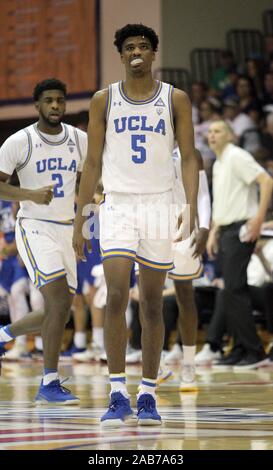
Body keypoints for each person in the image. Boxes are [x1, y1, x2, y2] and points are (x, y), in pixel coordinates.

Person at [73, 23, 199, 426]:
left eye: (144, 45)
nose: (137, 51)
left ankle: (147, 393)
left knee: (151, 304)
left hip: (161, 204)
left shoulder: (174, 98)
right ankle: (116, 393)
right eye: (130, 47)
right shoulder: (103, 99)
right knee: (114, 296)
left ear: (153, 53)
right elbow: (92, 162)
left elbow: (191, 156)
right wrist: (79, 217)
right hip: (119, 205)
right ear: (121, 54)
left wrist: (191, 204)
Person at [0, 78, 87, 403]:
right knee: (58, 301)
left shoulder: (80, 140)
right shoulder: (19, 142)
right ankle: (49, 382)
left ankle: (3, 335)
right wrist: (29, 195)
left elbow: (92, 178)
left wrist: (85, 224)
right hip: (34, 225)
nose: (55, 106)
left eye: (60, 101)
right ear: (37, 105)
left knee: (60, 310)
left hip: (68, 228)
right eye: (48, 100)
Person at [206, 120, 273, 368]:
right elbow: (222, 202)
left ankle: (255, 351)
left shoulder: (237, 155)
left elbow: (266, 181)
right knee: (230, 290)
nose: (212, 135)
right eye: (210, 131)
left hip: (241, 229)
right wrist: (214, 231)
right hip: (226, 230)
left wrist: (258, 219)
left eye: (218, 131)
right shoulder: (219, 162)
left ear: (231, 135)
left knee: (234, 289)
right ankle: (240, 348)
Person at [165, 147, 211, 390]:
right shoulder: (147, 143)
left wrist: (204, 227)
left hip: (183, 221)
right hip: (149, 221)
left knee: (185, 295)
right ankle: (155, 366)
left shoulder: (190, 153)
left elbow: (202, 194)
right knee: (147, 296)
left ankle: (189, 363)